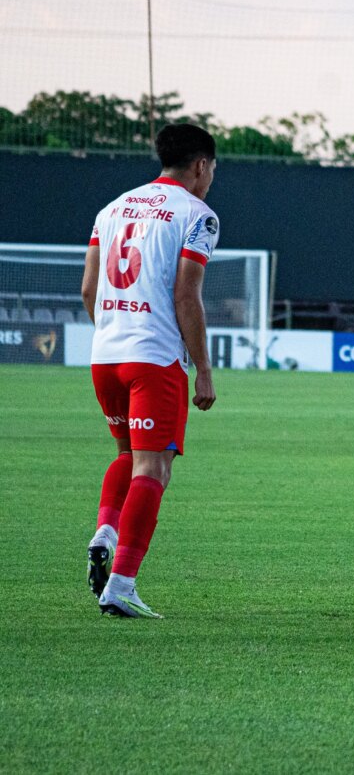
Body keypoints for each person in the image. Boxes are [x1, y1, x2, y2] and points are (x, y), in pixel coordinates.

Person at [80, 122, 219, 619]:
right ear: (201, 165)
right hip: (153, 358)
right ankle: (121, 584)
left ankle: (106, 530)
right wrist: (203, 367)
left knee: (126, 454)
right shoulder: (197, 214)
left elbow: (88, 290)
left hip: (106, 355)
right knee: (153, 468)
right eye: (211, 170)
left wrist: (115, 329)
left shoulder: (112, 208)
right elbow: (187, 295)